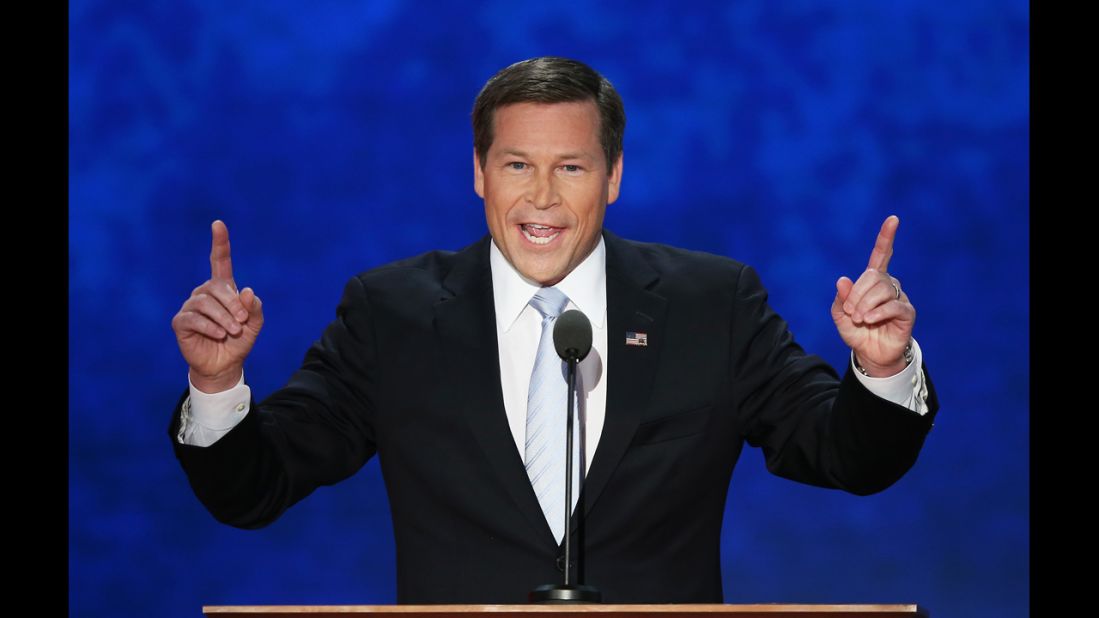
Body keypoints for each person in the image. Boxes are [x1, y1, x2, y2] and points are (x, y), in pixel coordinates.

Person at [169, 56, 938, 604]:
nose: (540, 197)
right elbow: (256, 490)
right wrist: (216, 384)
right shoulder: (391, 311)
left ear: (613, 176)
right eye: (515, 166)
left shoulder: (712, 303)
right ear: (478, 173)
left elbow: (844, 456)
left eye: (569, 167)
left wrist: (879, 369)